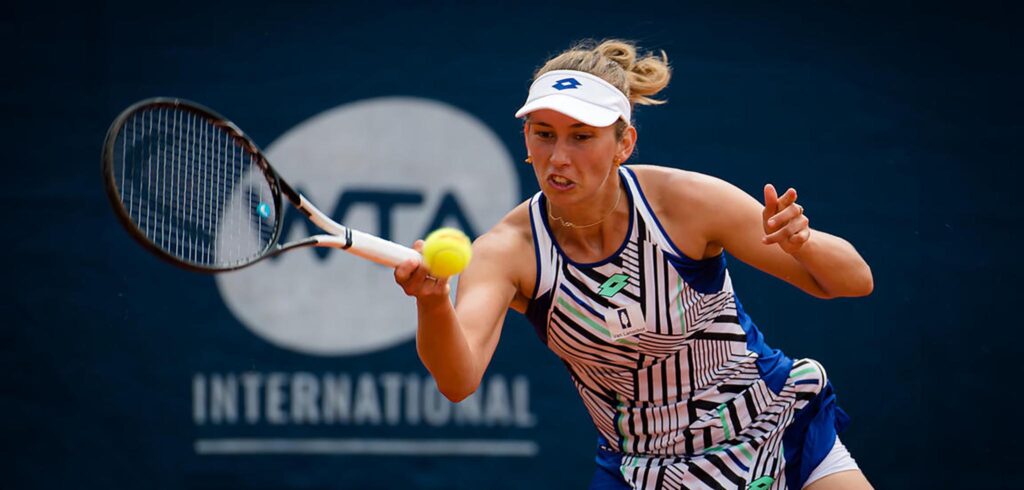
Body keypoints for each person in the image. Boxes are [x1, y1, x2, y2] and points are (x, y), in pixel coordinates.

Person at [394, 39, 874, 490]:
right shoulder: (507, 250)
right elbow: (458, 381)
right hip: (646, 472)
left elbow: (854, 282)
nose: (558, 157)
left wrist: (802, 242)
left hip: (773, 426)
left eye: (582, 137)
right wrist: (434, 302)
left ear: (624, 144)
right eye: (543, 134)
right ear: (526, 137)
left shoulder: (685, 202)